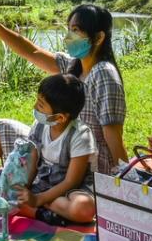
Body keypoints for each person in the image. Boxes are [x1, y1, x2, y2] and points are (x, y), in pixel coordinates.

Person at [0, 2, 127, 222]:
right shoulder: (74, 67)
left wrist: (124, 184)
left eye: (75, 30)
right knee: (4, 127)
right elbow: (32, 51)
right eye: (69, 29)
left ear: (98, 37)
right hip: (56, 148)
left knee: (9, 134)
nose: (68, 36)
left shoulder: (104, 75)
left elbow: (113, 136)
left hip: (81, 164)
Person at [11, 73, 96, 224]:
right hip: (45, 184)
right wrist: (26, 187)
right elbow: (33, 160)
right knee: (11, 196)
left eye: (41, 105)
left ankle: (39, 208)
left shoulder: (81, 135)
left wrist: (38, 199)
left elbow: (72, 181)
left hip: (72, 190)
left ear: (60, 118)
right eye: (37, 101)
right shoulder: (39, 126)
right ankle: (44, 215)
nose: (35, 107)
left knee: (84, 209)